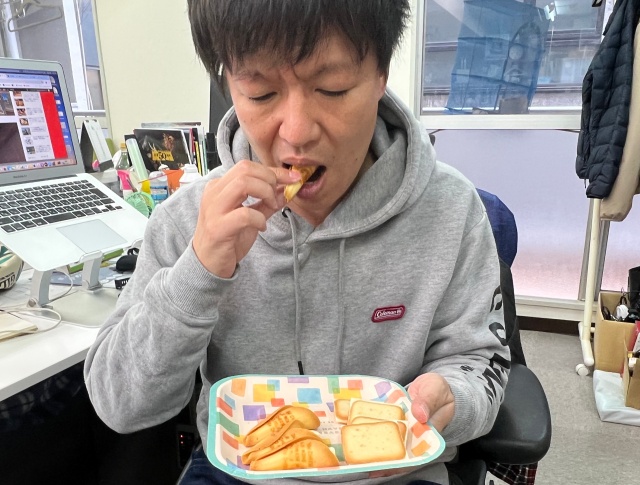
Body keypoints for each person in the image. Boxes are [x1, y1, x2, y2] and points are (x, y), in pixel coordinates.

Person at [84, 1, 511, 484]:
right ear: (230, 86)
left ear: (380, 76)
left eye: (332, 88)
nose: (297, 132)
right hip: (239, 471)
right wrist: (197, 274)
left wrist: (453, 398)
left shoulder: (451, 209)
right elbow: (120, 405)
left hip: (398, 474)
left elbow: (480, 362)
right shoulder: (187, 221)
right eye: (261, 93)